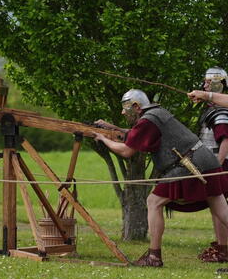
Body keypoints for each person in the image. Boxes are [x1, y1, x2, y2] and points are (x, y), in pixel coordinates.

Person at [94, 89, 228, 267]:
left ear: (136, 106)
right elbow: (136, 134)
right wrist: (113, 128)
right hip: (206, 161)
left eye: (126, 108)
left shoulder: (148, 120)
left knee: (153, 202)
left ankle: (153, 256)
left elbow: (127, 150)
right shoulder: (155, 114)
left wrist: (103, 139)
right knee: (220, 207)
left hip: (190, 165)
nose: (123, 112)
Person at [190, 67, 228, 262]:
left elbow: (226, 141)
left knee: (220, 207)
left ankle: (224, 249)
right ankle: (222, 247)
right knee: (216, 207)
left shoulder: (221, 112)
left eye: (207, 82)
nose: (204, 85)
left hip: (221, 165)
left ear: (217, 84)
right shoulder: (213, 109)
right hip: (215, 165)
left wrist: (218, 167)